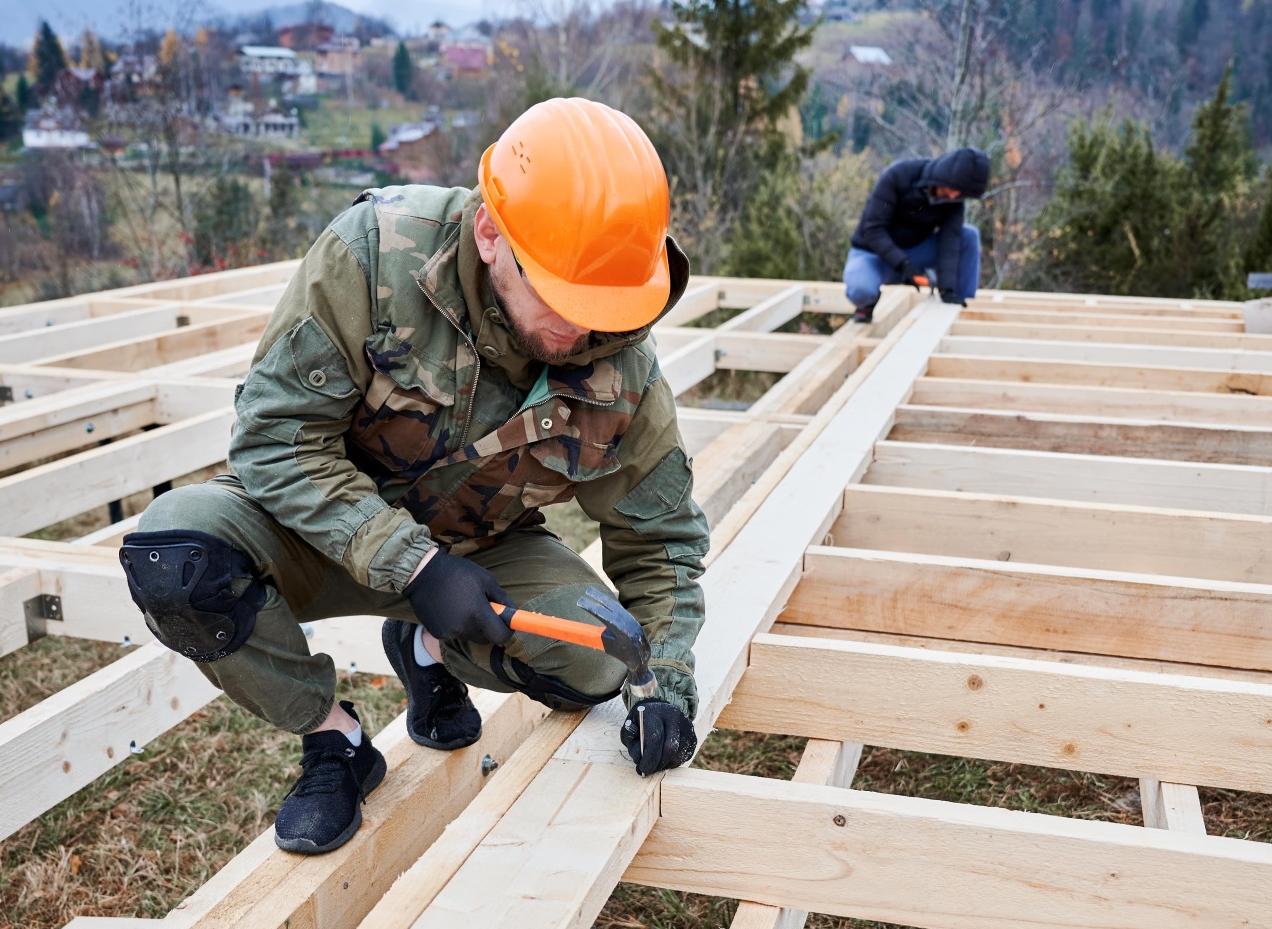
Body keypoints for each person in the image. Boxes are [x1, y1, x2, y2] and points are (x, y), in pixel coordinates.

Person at [119, 98, 707, 855]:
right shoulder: (375, 256)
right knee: (177, 556)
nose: (581, 332)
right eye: (563, 300)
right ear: (491, 235)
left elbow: (660, 542)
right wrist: (414, 564)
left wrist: (663, 687)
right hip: (315, 532)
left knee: (595, 659)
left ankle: (425, 650)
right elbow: (274, 440)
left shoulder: (622, 364)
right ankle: (336, 742)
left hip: (479, 554)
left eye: (602, 309)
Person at [843, 147, 991, 322]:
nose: (953, 195)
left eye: (961, 193)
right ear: (945, 176)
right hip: (873, 254)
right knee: (861, 291)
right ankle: (866, 305)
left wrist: (947, 289)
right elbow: (873, 230)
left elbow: (949, 243)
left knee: (968, 236)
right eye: (953, 188)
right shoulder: (898, 176)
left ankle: (961, 303)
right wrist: (903, 265)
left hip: (914, 253)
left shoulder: (954, 201)